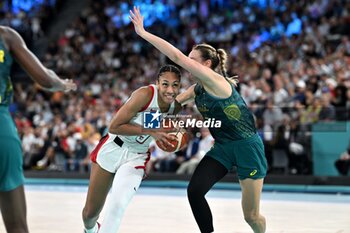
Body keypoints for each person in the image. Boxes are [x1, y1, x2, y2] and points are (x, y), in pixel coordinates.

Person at [130, 7, 267, 233]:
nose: (188, 63)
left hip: (247, 148)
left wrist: (144, 33)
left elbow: (175, 57)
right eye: (189, 58)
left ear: (207, 65)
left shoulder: (217, 82)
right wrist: (144, 126)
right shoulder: (197, 88)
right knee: (194, 191)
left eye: (193, 60)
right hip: (223, 148)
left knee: (251, 216)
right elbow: (171, 107)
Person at [82, 64, 182, 233]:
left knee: (118, 205)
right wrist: (153, 132)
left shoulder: (175, 105)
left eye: (175, 85)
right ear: (158, 83)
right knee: (90, 214)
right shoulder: (144, 94)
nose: (170, 90)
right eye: (165, 84)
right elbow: (114, 126)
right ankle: (90, 229)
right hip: (113, 147)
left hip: (136, 156)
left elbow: (195, 90)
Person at [0, 26, 76, 233]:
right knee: (17, 227)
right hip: (1, 131)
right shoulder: (6, 36)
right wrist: (61, 84)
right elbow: (45, 79)